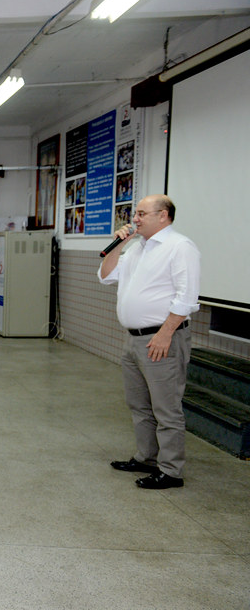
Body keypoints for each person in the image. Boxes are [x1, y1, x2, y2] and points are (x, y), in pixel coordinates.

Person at [99, 195, 200, 490]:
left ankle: (171, 471)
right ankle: (147, 457)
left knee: (166, 408)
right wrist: (117, 245)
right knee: (139, 405)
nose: (136, 219)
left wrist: (165, 334)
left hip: (161, 339)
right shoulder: (136, 249)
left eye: (142, 213)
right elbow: (107, 277)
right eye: (136, 213)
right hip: (134, 340)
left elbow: (187, 297)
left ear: (164, 215)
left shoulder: (179, 247)